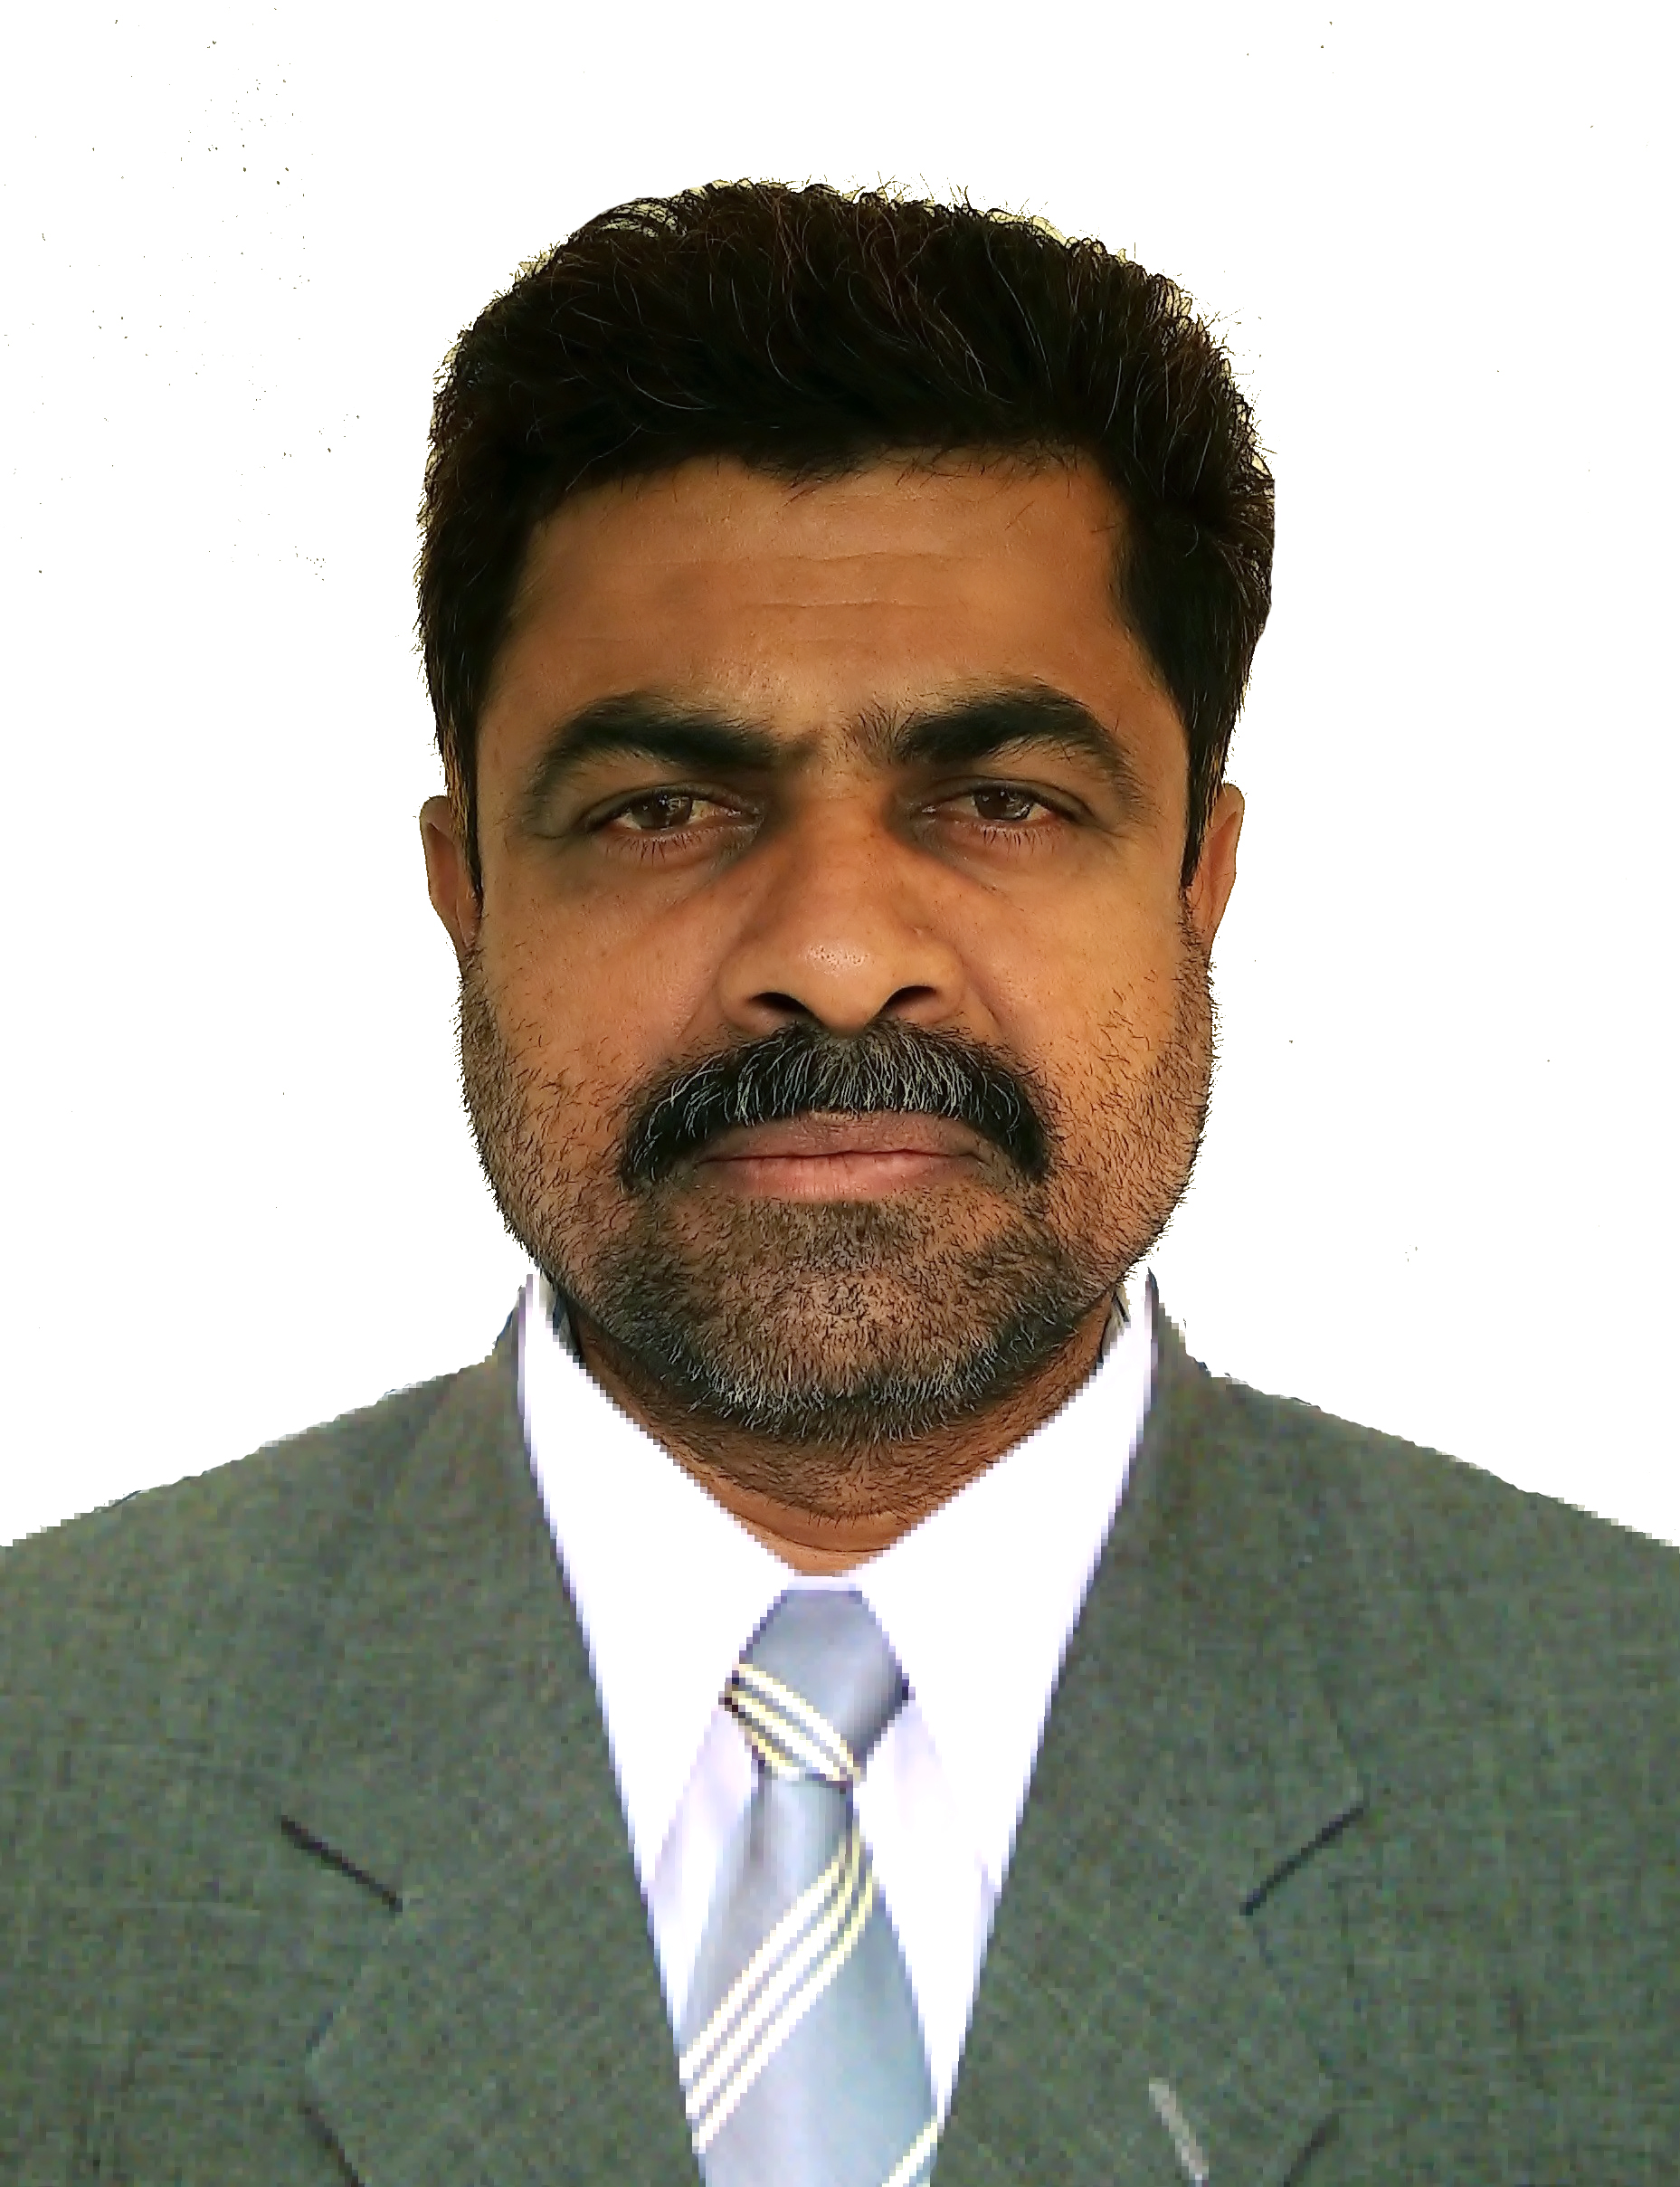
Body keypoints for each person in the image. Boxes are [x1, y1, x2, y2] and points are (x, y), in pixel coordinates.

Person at [4, 181, 1677, 2187]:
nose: (833, 951)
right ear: (467, 893)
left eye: (999, 800)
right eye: (661, 808)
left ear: (1197, 880)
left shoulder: (1628, 1759)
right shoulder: (46, 1755)